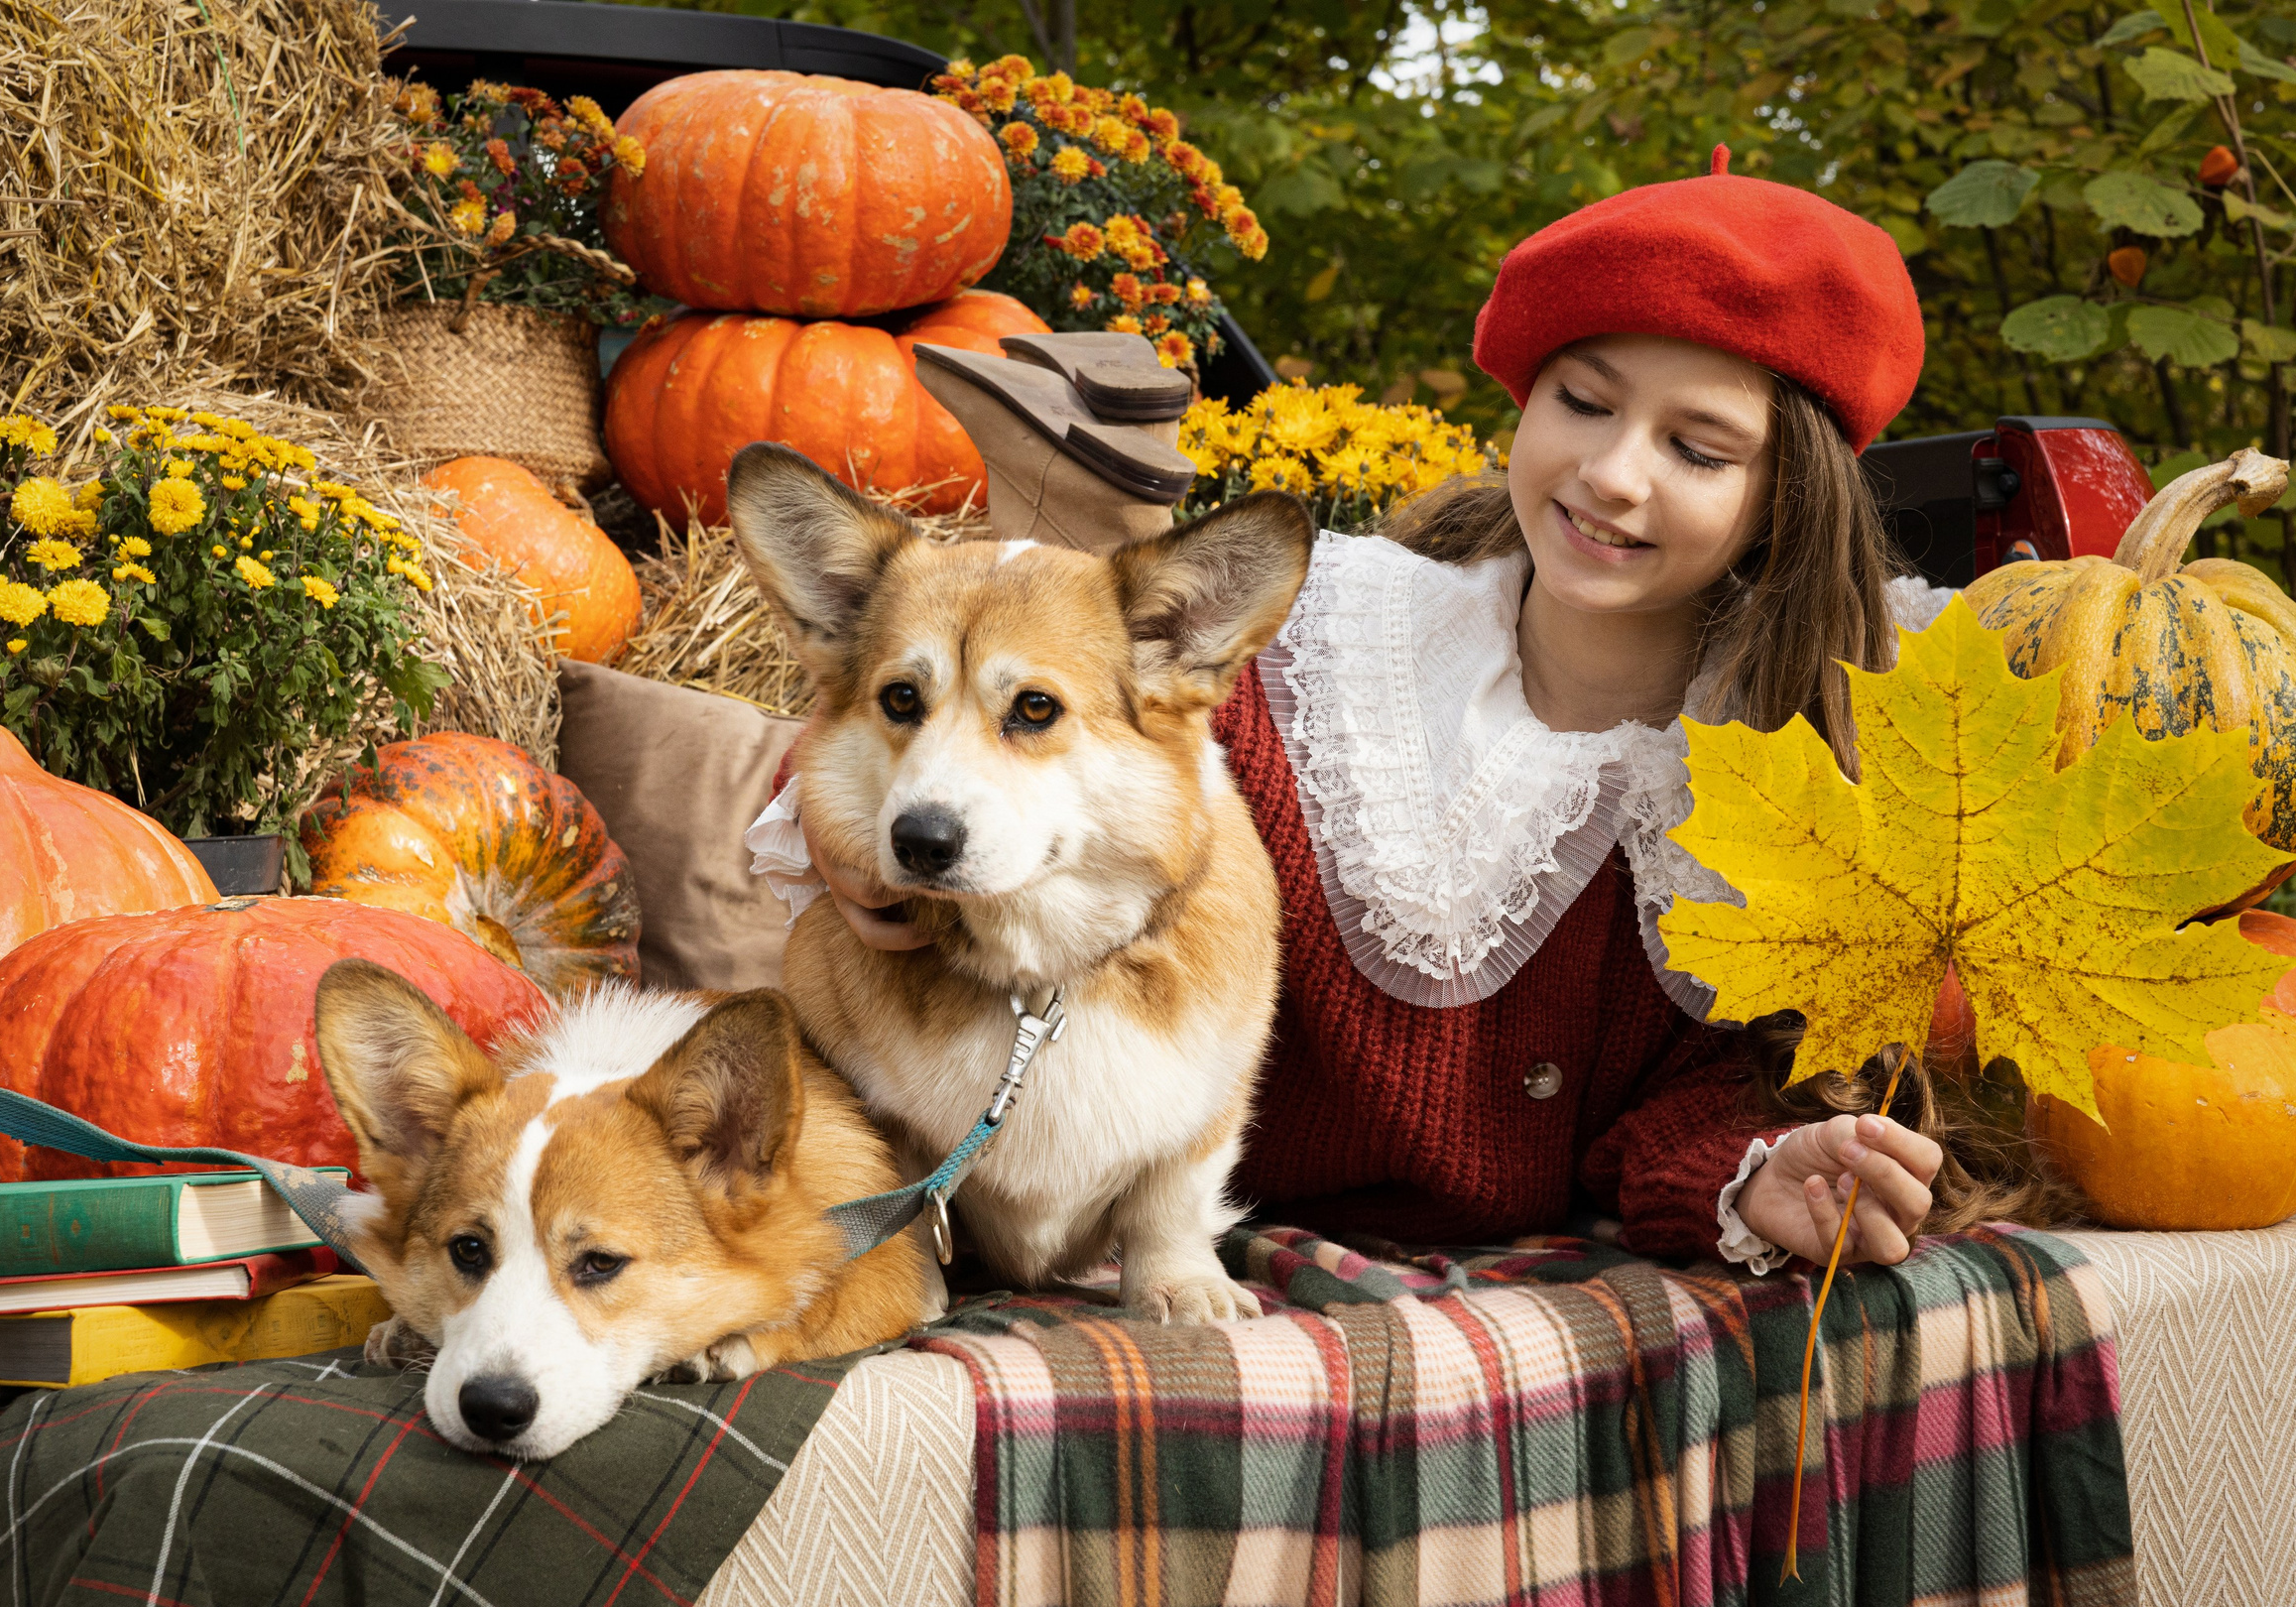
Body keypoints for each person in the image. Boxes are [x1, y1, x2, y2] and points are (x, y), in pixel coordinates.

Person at [754, 148, 1954, 1275]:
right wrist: (848, 846)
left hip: (1470, 1259)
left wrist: (1753, 1183)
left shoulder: (1784, 786)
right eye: (1584, 403)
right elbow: (959, 722)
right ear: (1527, 403)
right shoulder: (1324, 646)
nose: (1613, 473)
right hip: (1171, 1214)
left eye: (1697, 450)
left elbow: (1701, 1096)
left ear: (1787, 502)